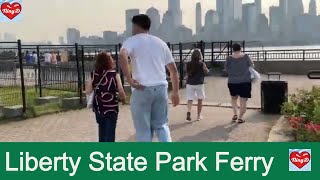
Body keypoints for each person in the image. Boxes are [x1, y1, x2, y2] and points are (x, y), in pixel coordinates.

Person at [119, 14, 180, 142]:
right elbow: (173, 70)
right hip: (161, 88)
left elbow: (123, 56)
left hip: (142, 88)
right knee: (162, 125)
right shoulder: (160, 43)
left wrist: (129, 79)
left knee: (143, 130)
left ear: (136, 26)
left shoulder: (131, 41)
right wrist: (175, 93)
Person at [88, 52, 126, 142]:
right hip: (111, 107)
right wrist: (124, 98)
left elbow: (88, 91)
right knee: (110, 133)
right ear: (109, 61)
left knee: (102, 130)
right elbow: (121, 91)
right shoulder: (114, 75)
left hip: (99, 107)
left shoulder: (94, 74)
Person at [224, 43, 254, 124]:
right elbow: (252, 65)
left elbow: (226, 69)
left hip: (232, 82)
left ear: (233, 49)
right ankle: (240, 118)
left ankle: (235, 114)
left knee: (234, 99)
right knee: (243, 100)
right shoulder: (246, 56)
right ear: (240, 49)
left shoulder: (229, 58)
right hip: (245, 81)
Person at [186, 49, 209, 121]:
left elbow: (187, 73)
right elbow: (206, 71)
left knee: (190, 98)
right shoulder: (201, 63)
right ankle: (198, 116)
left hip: (190, 83)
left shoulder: (188, 63)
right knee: (200, 100)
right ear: (200, 55)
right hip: (199, 83)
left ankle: (189, 112)